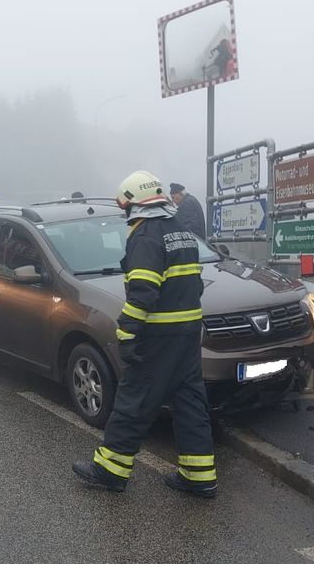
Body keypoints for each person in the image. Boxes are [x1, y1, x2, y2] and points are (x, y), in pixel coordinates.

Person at [72, 170, 217, 498]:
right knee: (190, 402)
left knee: (133, 400)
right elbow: (193, 284)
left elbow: (142, 293)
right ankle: (199, 476)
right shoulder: (181, 231)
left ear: (133, 203)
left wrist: (127, 333)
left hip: (158, 336)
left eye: (125, 207)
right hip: (188, 335)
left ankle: (110, 471)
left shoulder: (146, 234)